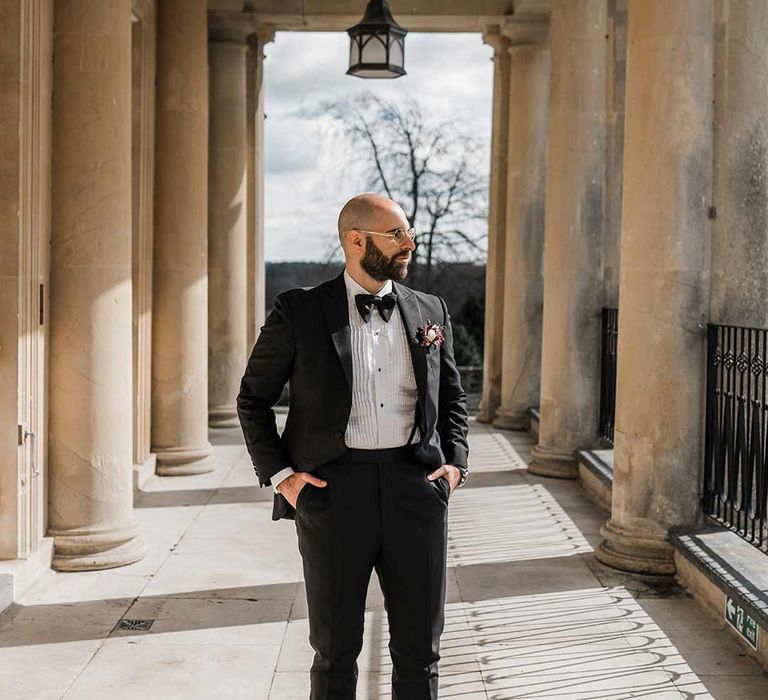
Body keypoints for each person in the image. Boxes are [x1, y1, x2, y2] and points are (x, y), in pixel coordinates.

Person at [236, 193, 470, 700]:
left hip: (416, 490)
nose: (409, 244)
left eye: (409, 234)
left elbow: (452, 397)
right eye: (396, 236)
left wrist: (454, 466)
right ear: (356, 241)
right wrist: (284, 480)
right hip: (332, 494)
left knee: (421, 652)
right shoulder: (299, 311)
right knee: (335, 650)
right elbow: (252, 399)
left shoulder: (431, 310)